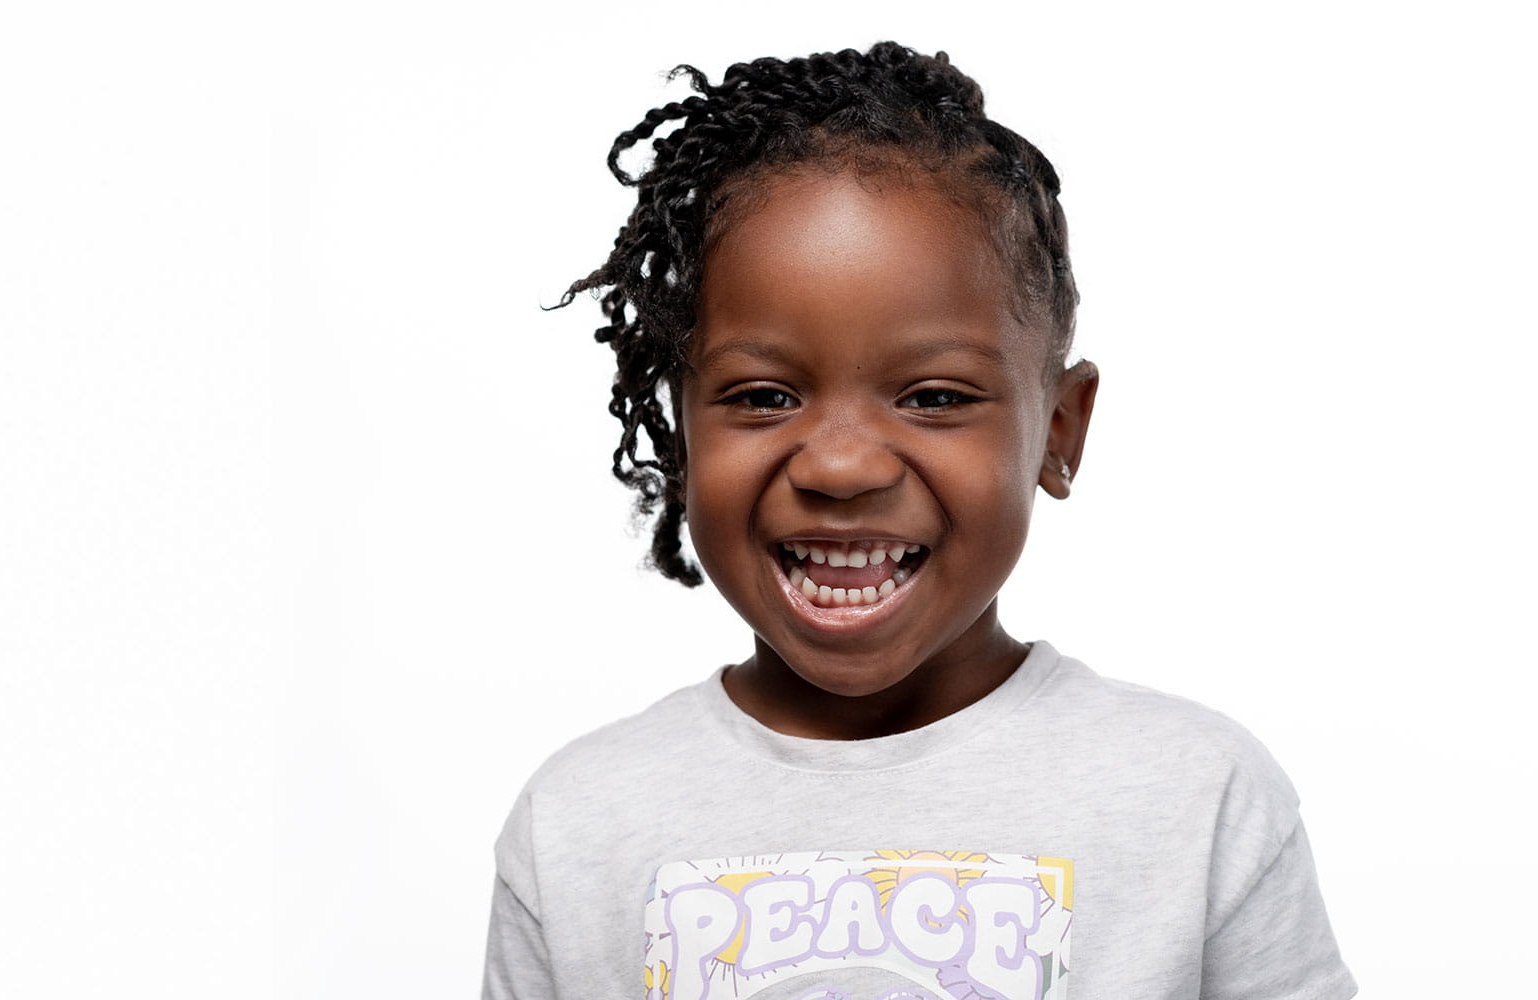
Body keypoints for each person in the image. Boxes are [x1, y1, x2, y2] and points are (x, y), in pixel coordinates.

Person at [482, 43, 1355, 1000]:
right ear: (681, 431)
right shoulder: (578, 823)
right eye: (765, 396)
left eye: (935, 397)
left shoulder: (1201, 799)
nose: (842, 465)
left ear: (1058, 431)